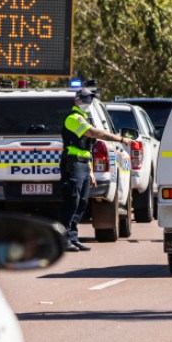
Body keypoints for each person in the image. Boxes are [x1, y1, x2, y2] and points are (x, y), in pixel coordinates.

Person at [59, 88, 127, 252]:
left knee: (82, 203)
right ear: (77, 100)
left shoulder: (84, 117)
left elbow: (87, 148)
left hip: (83, 164)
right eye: (85, 99)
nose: (88, 103)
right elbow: (93, 133)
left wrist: (90, 170)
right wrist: (121, 139)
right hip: (73, 165)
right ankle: (63, 239)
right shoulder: (73, 118)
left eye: (90, 100)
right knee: (71, 202)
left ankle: (72, 238)